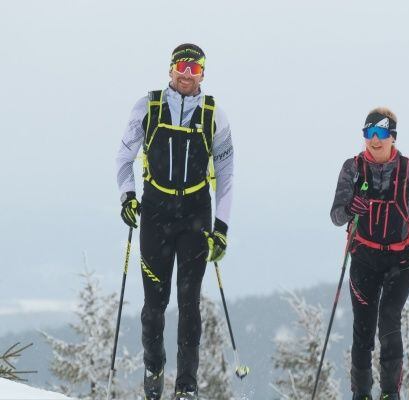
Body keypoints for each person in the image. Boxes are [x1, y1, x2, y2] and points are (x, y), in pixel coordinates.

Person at [116, 43, 234, 400]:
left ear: (203, 74)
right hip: (154, 211)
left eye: (194, 69)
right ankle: (154, 370)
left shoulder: (214, 115)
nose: (187, 74)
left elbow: (226, 175)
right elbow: (124, 156)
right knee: (154, 306)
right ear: (170, 70)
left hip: (195, 215)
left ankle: (186, 388)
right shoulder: (148, 106)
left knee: (189, 305)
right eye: (181, 66)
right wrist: (127, 196)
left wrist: (221, 228)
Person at [330, 107, 409, 400]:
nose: (374, 140)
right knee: (363, 328)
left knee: (389, 318)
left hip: (399, 259)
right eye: (368, 133)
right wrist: (350, 209)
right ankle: (361, 394)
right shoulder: (353, 168)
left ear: (392, 137)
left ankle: (389, 394)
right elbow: (335, 216)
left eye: (381, 133)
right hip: (363, 257)